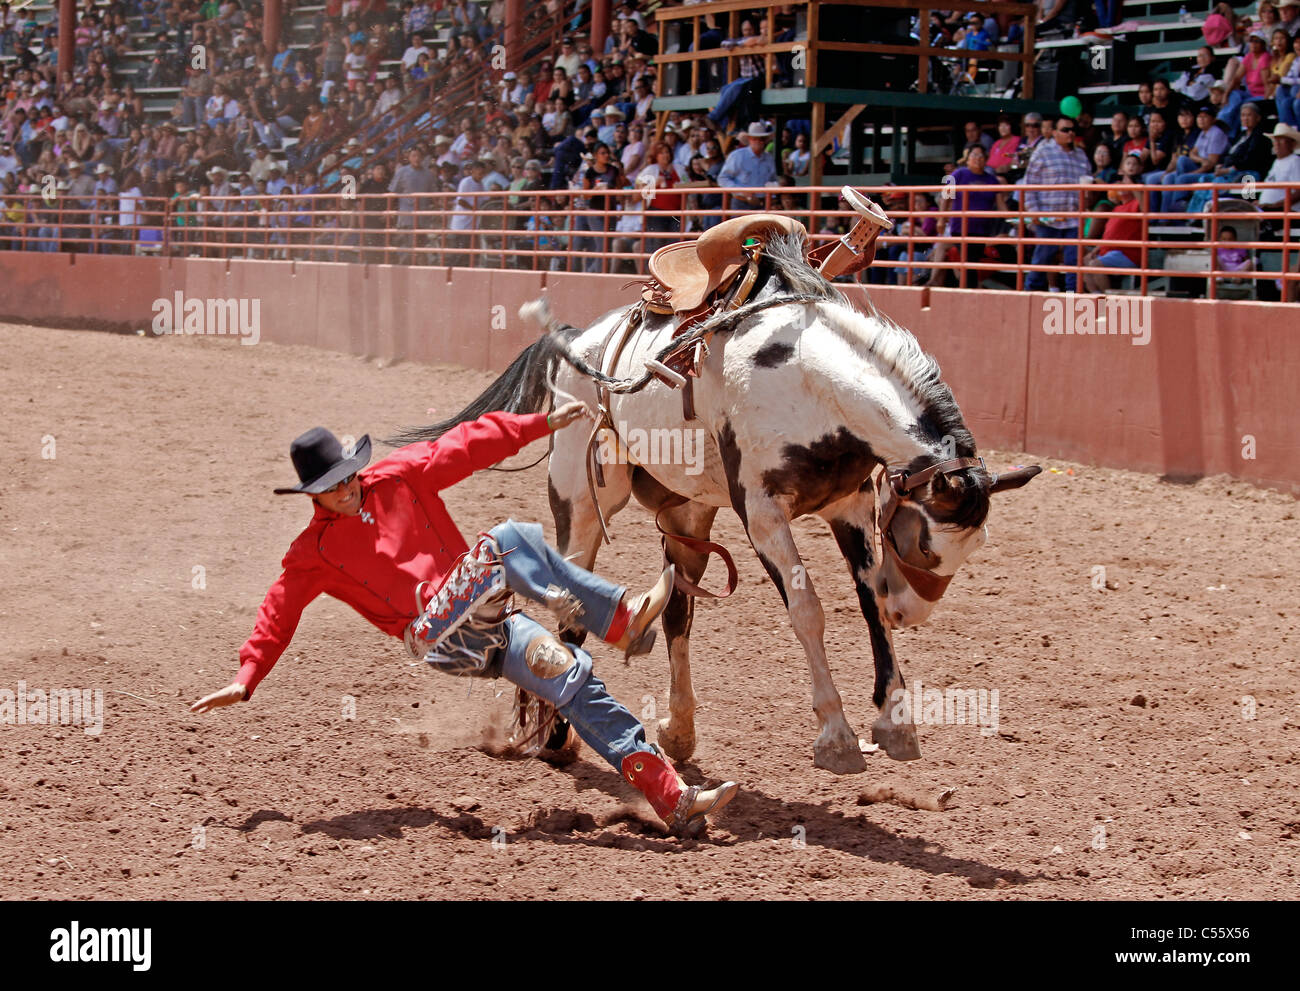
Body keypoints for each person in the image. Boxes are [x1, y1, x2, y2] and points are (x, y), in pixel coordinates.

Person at [189, 408, 739, 835]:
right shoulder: (313, 552)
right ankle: (620, 618)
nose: (346, 486)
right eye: (332, 483)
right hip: (432, 632)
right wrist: (247, 675)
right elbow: (279, 608)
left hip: (482, 618)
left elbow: (465, 444)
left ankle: (674, 800)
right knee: (508, 540)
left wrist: (537, 425)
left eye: (347, 475)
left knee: (573, 678)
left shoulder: (398, 477)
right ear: (313, 494)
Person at [1023, 115, 1090, 292]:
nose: (1070, 133)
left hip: (1073, 217)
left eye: (1072, 130)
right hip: (1048, 217)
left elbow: (1087, 183)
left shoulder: (1081, 155)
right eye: (1065, 129)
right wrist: (1034, 212)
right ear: (1054, 133)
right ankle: (1029, 295)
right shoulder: (1042, 152)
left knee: (1073, 262)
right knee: (1042, 258)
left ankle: (1073, 297)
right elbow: (1030, 184)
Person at [718, 120, 777, 211]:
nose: (758, 142)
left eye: (761, 139)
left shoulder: (769, 158)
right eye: (754, 138)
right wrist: (743, 192)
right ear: (749, 139)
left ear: (765, 141)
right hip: (741, 202)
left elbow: (772, 180)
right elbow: (723, 178)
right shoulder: (737, 156)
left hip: (762, 203)